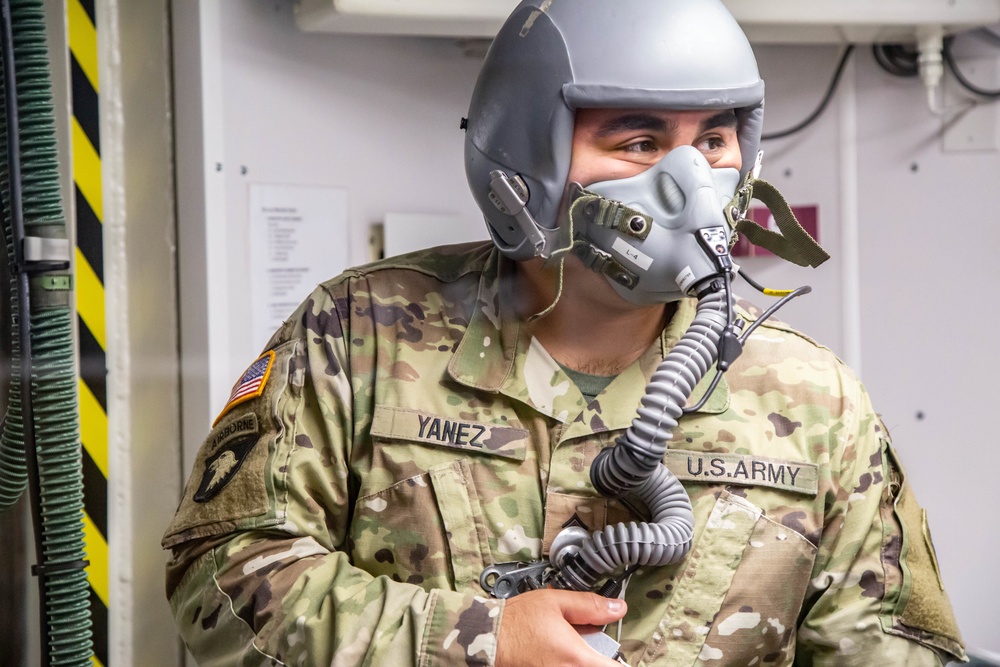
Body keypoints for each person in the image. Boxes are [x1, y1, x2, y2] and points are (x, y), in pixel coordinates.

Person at [163, 1, 967, 665]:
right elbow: (220, 585)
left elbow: (892, 644)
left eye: (715, 140)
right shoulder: (358, 335)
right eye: (640, 141)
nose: (692, 183)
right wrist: (477, 640)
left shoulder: (814, 398)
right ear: (525, 158)